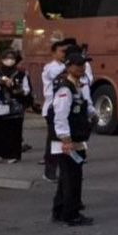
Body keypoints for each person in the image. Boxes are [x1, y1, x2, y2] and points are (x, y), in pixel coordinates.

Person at [48, 52, 95, 226]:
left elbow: (85, 106)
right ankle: (71, 214)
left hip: (76, 138)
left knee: (66, 178)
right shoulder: (65, 88)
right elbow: (60, 116)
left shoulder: (79, 86)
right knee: (72, 178)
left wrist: (93, 115)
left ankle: (59, 210)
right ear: (69, 66)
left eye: (83, 64)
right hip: (67, 140)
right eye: (78, 65)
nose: (82, 68)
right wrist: (66, 140)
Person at [0, 50, 31, 164]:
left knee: (13, 133)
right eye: (7, 57)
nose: (9, 60)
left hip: (15, 108)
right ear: (2, 59)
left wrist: (17, 89)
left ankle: (11, 155)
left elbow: (27, 90)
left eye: (12, 58)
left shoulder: (21, 74)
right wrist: (1, 80)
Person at [38, 39, 71, 182]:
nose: (65, 54)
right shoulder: (50, 67)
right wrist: (71, 63)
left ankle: (64, 170)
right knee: (54, 141)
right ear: (54, 53)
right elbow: (56, 74)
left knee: (63, 139)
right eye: (62, 51)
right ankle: (49, 172)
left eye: (66, 51)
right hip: (52, 108)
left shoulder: (67, 66)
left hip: (64, 107)